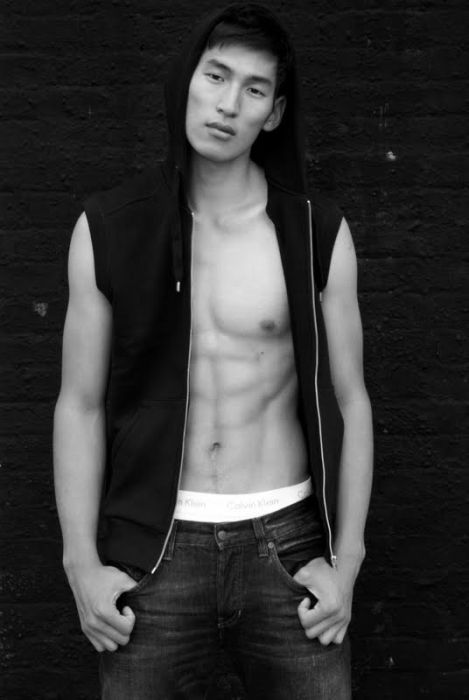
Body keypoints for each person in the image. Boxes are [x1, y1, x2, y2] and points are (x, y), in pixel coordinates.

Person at [53, 3, 373, 698]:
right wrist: (81, 563)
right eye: (216, 76)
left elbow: (350, 400)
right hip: (152, 551)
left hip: (288, 546)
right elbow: (78, 404)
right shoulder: (107, 228)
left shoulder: (315, 231)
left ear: (274, 112)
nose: (228, 104)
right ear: (187, 81)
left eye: (254, 89)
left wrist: (346, 561)